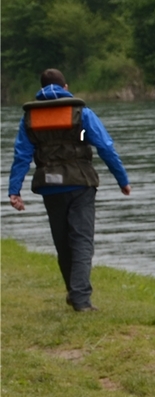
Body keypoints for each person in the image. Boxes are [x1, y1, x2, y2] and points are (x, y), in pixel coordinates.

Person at [7, 68, 131, 312]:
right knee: (82, 240)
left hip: (51, 187)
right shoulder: (80, 112)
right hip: (81, 184)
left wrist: (15, 190)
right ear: (65, 87)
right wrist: (122, 179)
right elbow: (105, 146)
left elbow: (21, 154)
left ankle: (74, 293)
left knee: (63, 242)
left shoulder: (31, 118)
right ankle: (81, 299)